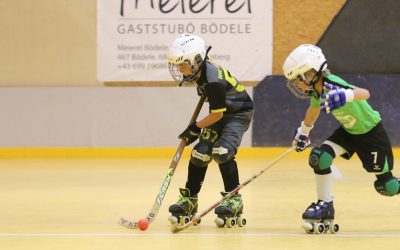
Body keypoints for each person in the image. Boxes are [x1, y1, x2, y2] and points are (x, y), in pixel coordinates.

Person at [282, 44, 400, 234]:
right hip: (348, 133)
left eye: (297, 78)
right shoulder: (316, 91)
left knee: (388, 187)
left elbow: (365, 93)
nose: (296, 83)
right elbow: (314, 109)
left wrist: (345, 95)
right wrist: (303, 132)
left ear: (311, 73)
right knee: (319, 158)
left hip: (371, 134)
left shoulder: (332, 84)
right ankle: (325, 205)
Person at [166, 34, 254, 228]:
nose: (180, 69)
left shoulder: (213, 80)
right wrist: (197, 131)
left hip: (238, 114)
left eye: (183, 64)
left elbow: (217, 115)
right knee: (200, 153)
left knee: (222, 151)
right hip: (220, 113)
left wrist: (195, 128)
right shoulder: (201, 69)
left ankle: (234, 199)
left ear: (196, 61)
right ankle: (190, 199)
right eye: (178, 65)